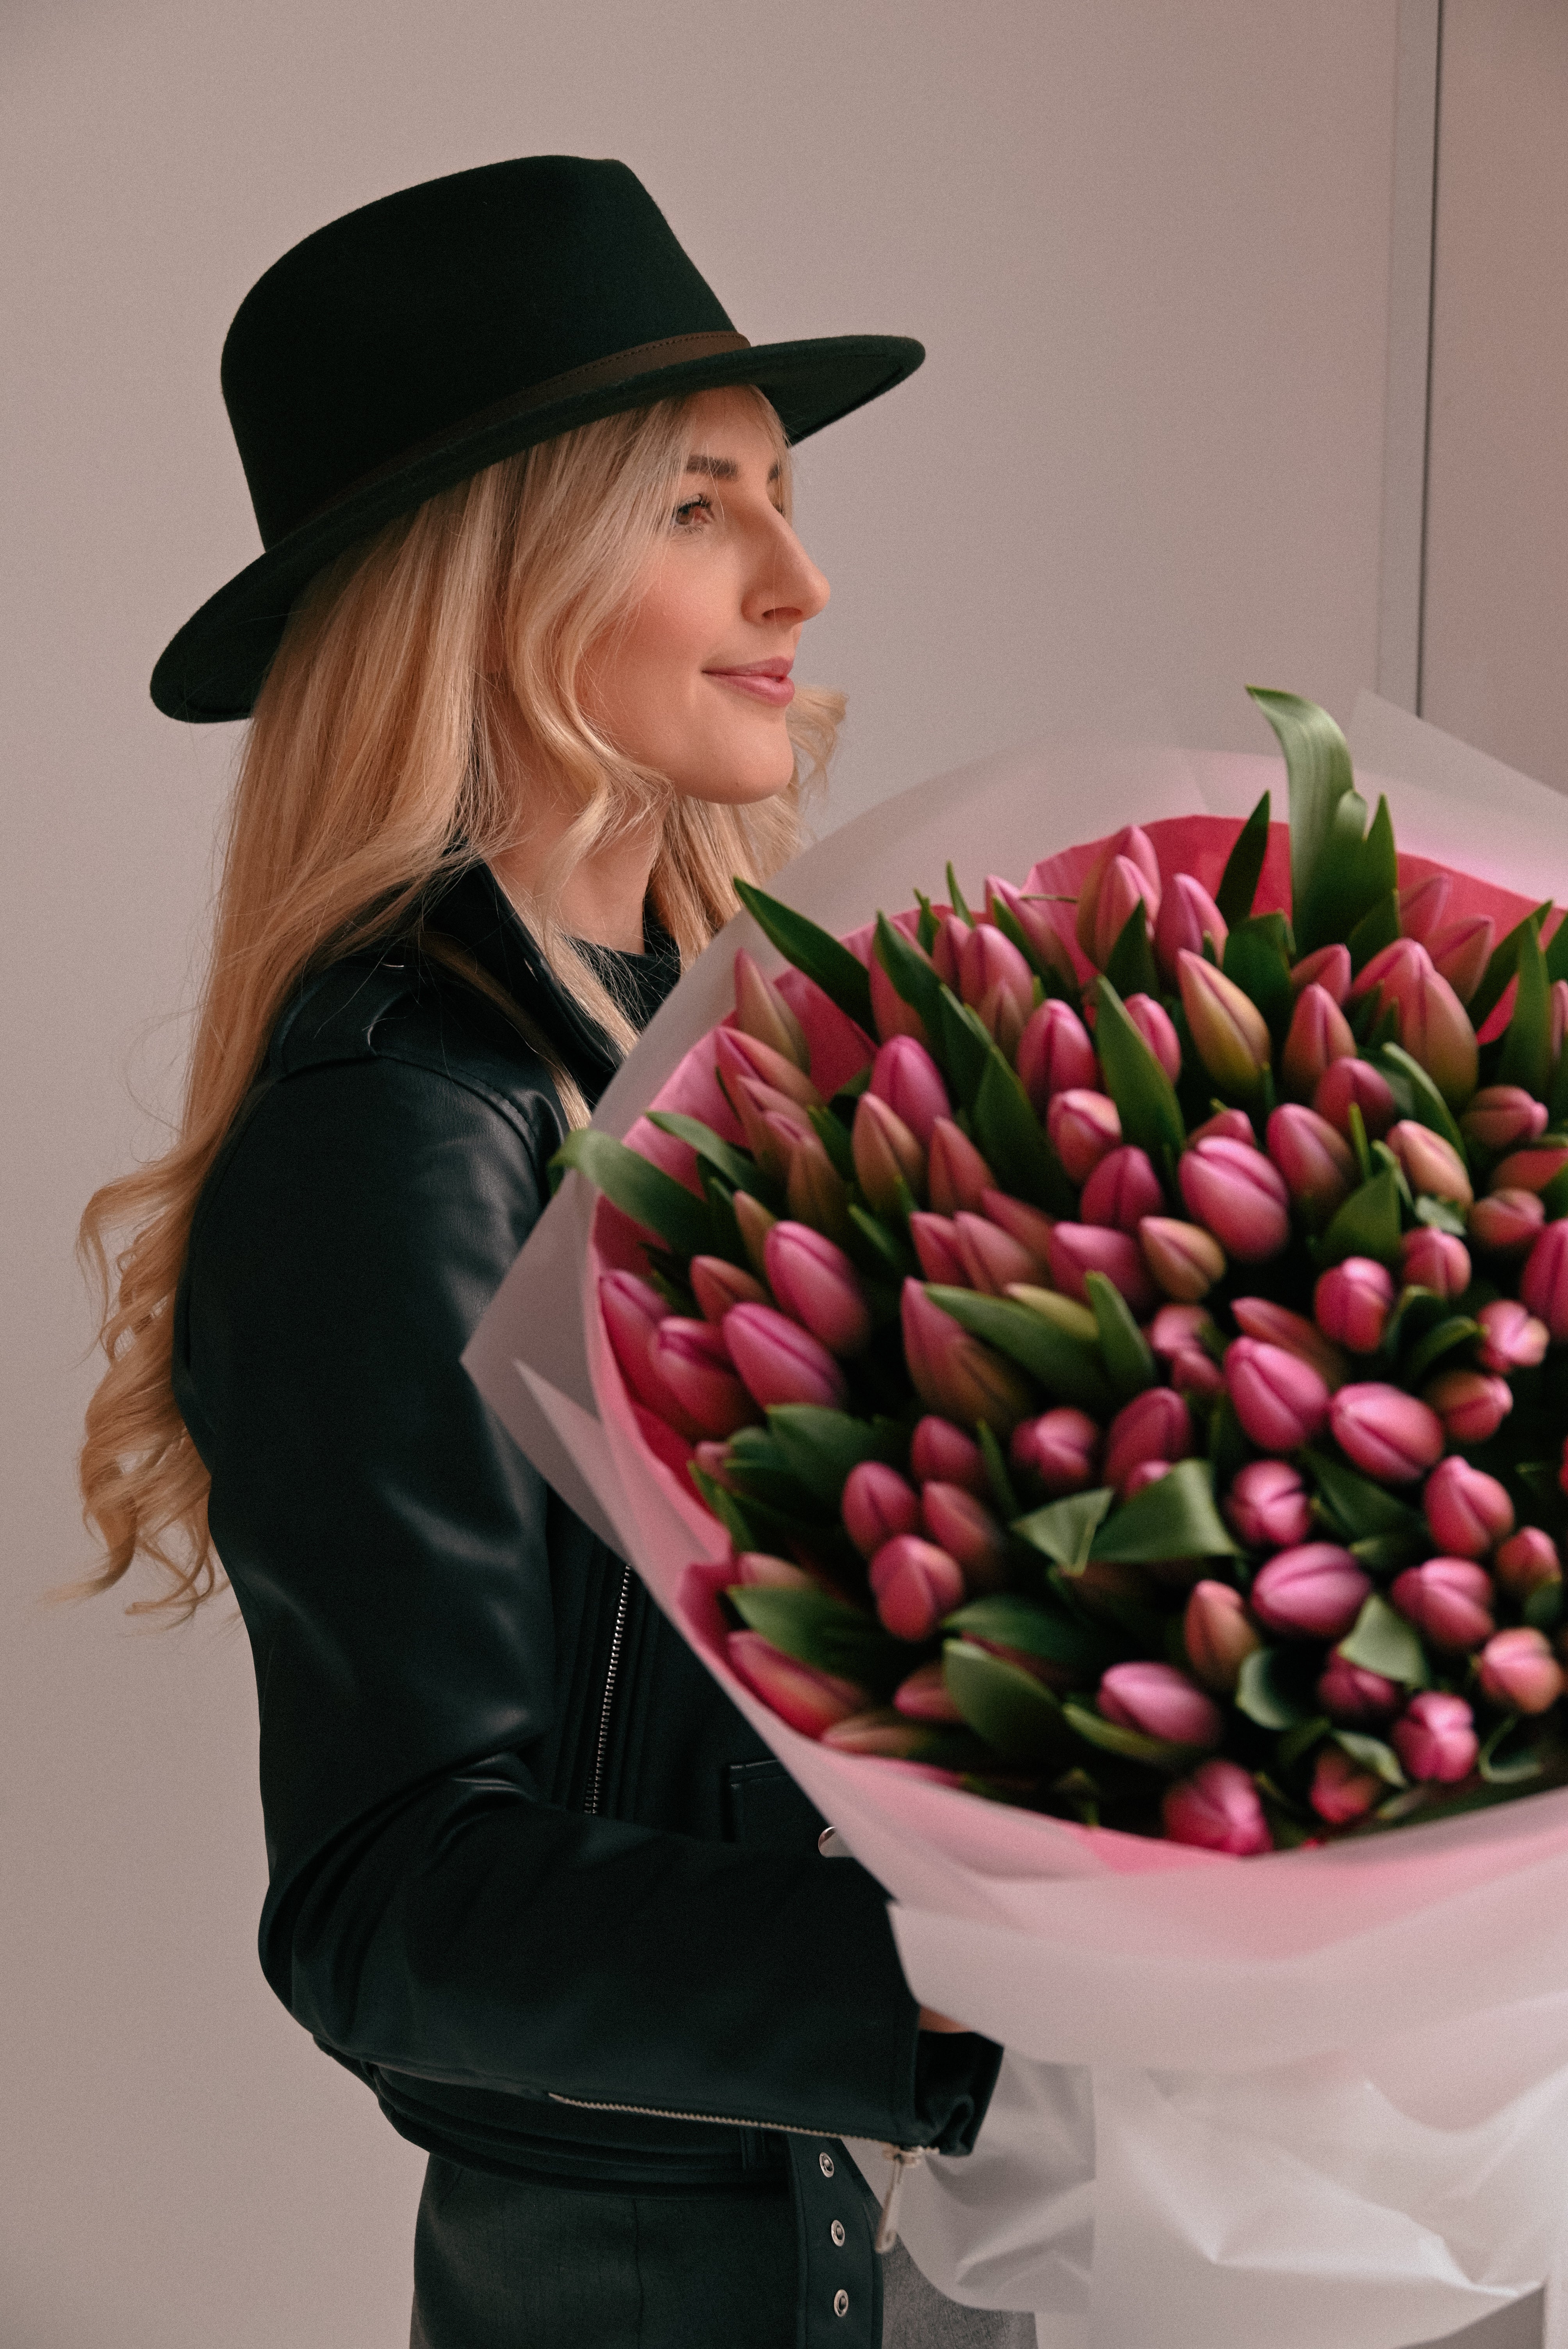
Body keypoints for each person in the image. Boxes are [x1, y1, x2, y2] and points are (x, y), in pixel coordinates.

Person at [78, 157, 1025, 2348]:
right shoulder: (406, 1119)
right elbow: (396, 1904)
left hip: (899, 2253)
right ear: (488, 572)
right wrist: (1017, 2009)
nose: (800, 571)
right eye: (700, 505)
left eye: (777, 494)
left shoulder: (729, 1045)